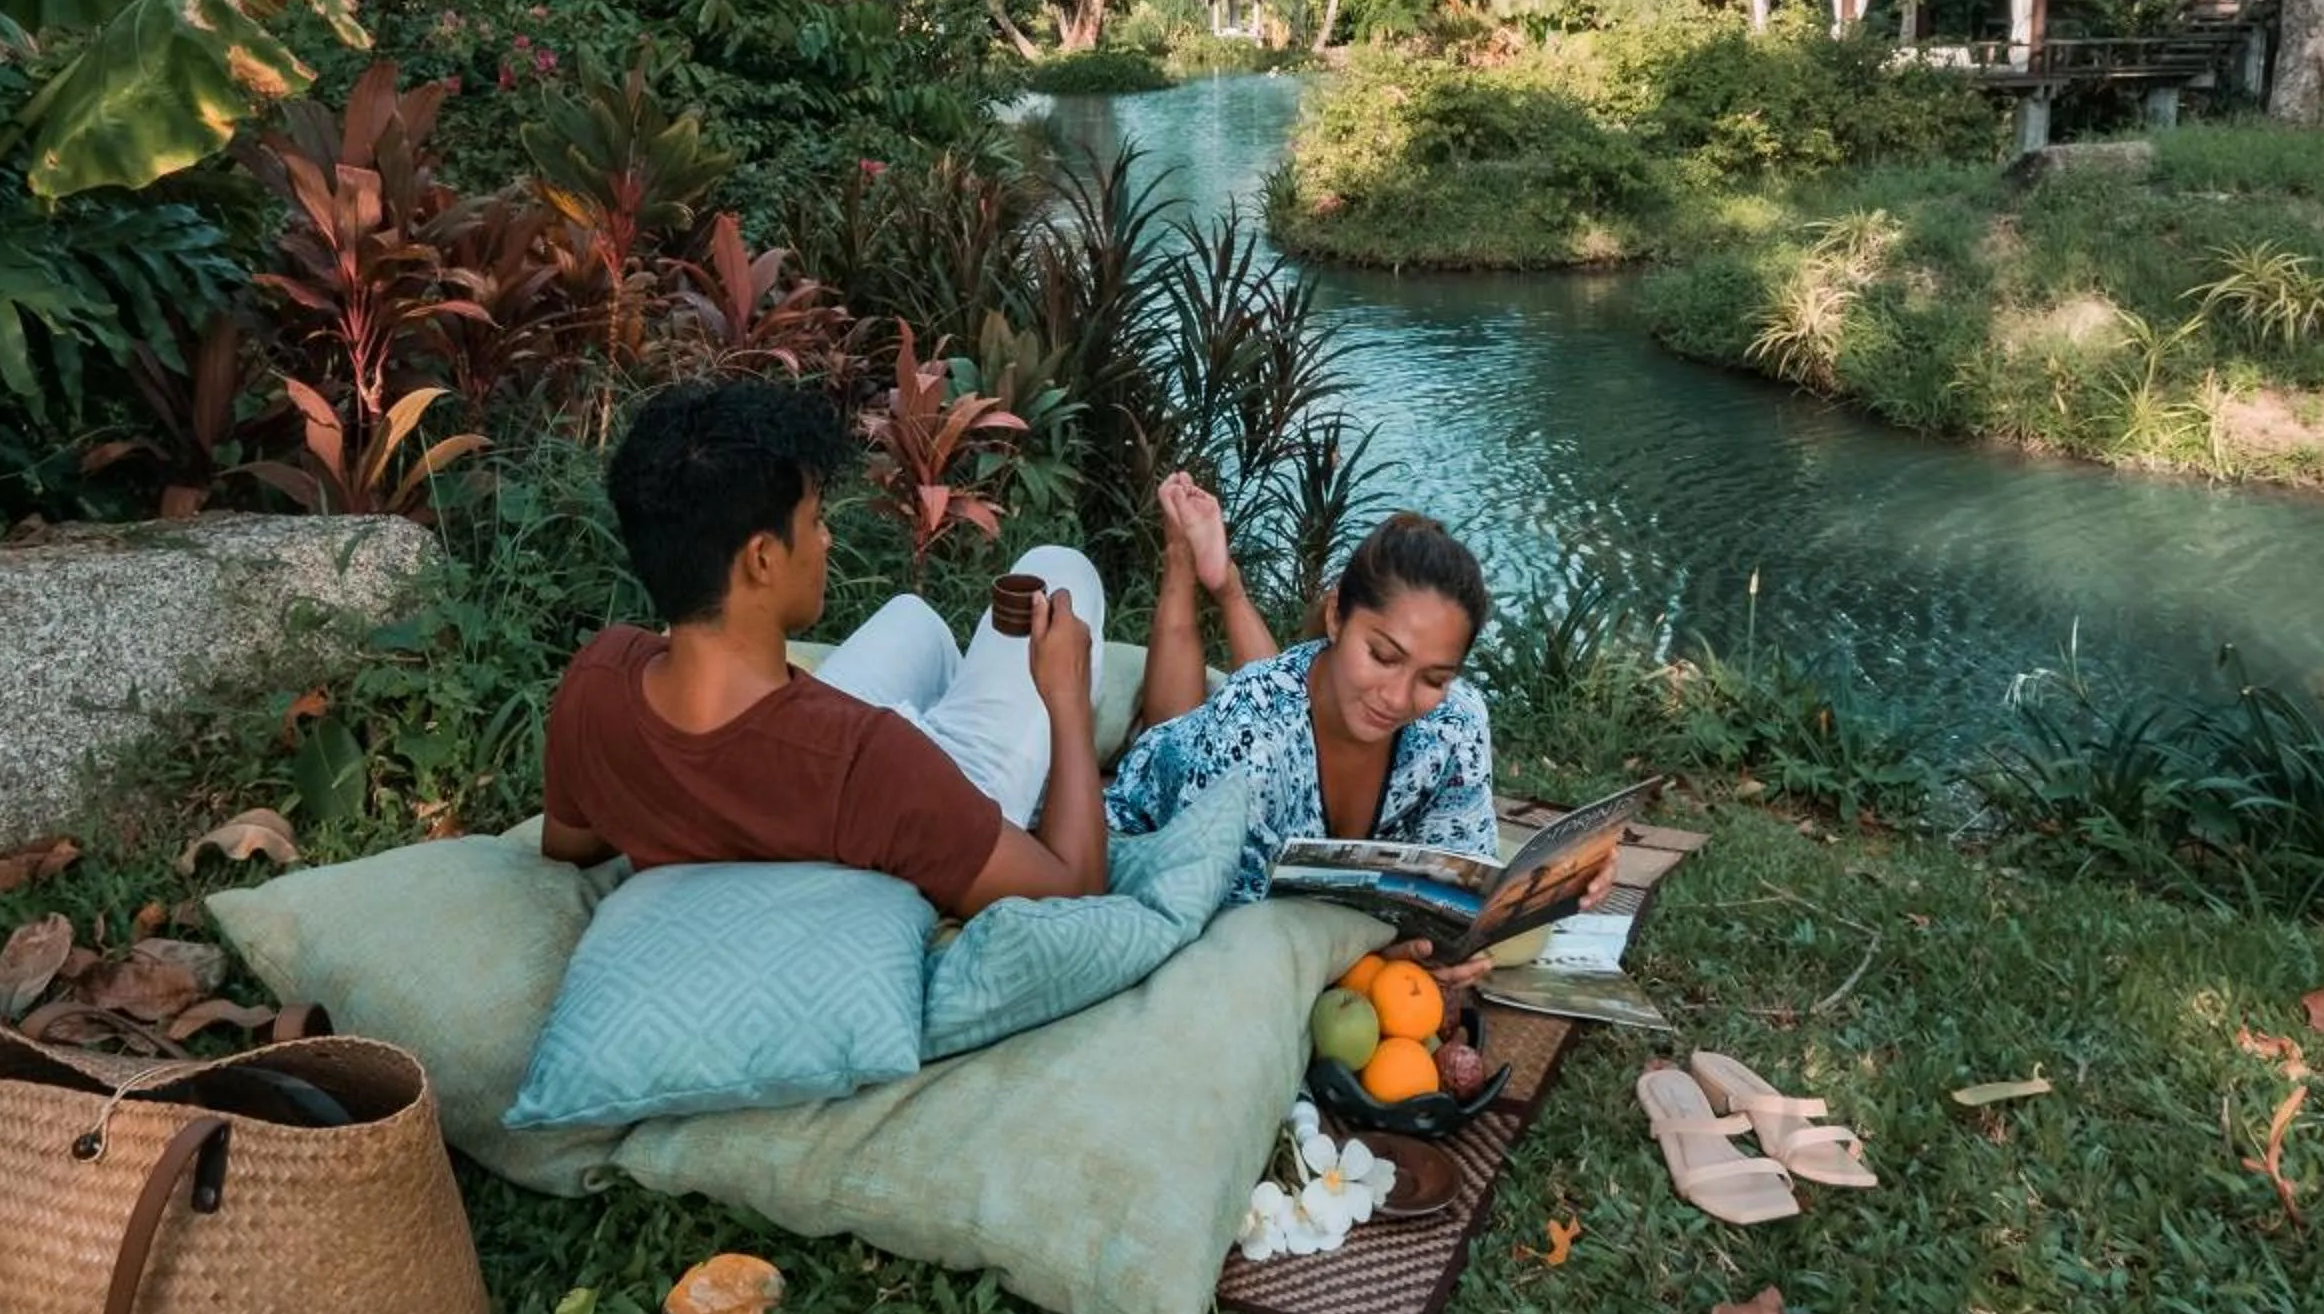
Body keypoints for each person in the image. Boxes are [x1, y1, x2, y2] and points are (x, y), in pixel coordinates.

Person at [539, 379, 1111, 921]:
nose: (826, 539)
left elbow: (571, 843)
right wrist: (1066, 695)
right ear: (762, 559)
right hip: (891, 794)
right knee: (1058, 566)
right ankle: (976, 761)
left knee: (913, 619)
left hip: (808, 765)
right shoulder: (868, 763)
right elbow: (1075, 886)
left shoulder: (597, 679)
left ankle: (945, 722)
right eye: (813, 521)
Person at [1104, 473, 1618, 975]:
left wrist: (1560, 885)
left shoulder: (1454, 721)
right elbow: (1236, 933)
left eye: (1434, 677)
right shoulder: (1244, 736)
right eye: (1383, 655)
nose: (1397, 699)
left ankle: (1225, 584)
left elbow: (1461, 885)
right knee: (1184, 732)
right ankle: (1184, 559)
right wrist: (1367, 960)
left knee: (1281, 707)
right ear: (1336, 616)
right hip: (1171, 798)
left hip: (1273, 724)